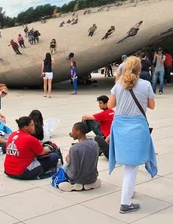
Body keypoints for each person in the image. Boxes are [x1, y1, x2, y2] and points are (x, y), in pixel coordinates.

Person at [108, 56, 157, 214]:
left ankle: (129, 191)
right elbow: (152, 106)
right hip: (137, 127)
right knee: (131, 166)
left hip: (120, 126)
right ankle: (125, 203)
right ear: (140, 69)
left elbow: (110, 105)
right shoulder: (146, 85)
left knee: (128, 164)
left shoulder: (119, 84)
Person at [58, 122, 101, 192]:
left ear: (78, 132)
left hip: (77, 178)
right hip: (92, 177)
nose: (71, 133)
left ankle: (75, 185)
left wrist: (68, 159)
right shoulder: (95, 144)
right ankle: (90, 184)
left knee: (64, 167)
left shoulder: (74, 148)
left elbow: (73, 169)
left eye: (72, 131)